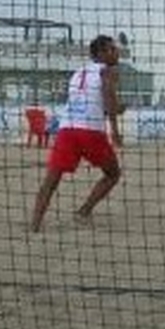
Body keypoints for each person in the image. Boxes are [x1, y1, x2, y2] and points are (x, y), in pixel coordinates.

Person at [30, 35, 125, 233]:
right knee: (113, 174)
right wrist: (116, 127)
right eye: (112, 49)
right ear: (100, 53)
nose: (116, 53)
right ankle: (84, 211)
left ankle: (34, 225)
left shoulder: (78, 72)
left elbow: (92, 101)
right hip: (91, 132)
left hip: (67, 130)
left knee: (51, 181)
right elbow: (109, 103)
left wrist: (115, 108)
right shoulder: (107, 72)